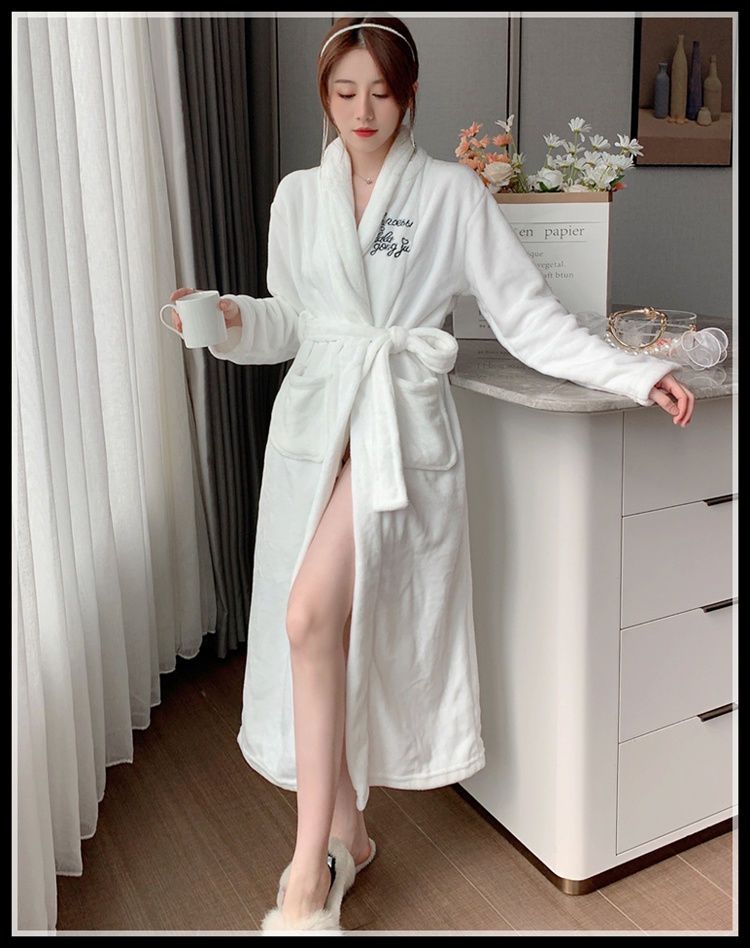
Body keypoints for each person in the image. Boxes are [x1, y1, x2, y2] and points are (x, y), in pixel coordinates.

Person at [168, 15, 695, 932]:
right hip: (316, 426)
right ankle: (349, 835)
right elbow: (290, 320)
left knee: (308, 616)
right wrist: (219, 318)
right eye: (344, 92)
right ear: (325, 96)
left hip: (395, 428)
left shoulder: (451, 194)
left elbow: (529, 319)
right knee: (317, 629)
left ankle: (304, 872)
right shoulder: (297, 196)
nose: (362, 110)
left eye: (381, 91)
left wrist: (633, 372)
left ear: (408, 94)